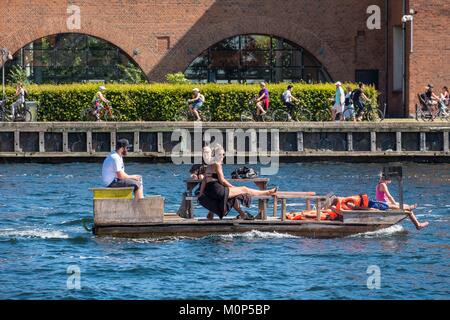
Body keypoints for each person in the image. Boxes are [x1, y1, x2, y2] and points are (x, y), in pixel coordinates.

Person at [198, 144, 277, 220]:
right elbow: (222, 181)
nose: (223, 156)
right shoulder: (217, 164)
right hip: (217, 190)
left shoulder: (208, 165)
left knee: (232, 197)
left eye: (223, 154)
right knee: (244, 189)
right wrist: (234, 188)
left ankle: (241, 214)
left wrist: (201, 193)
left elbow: (205, 180)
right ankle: (267, 192)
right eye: (221, 154)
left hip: (210, 191)